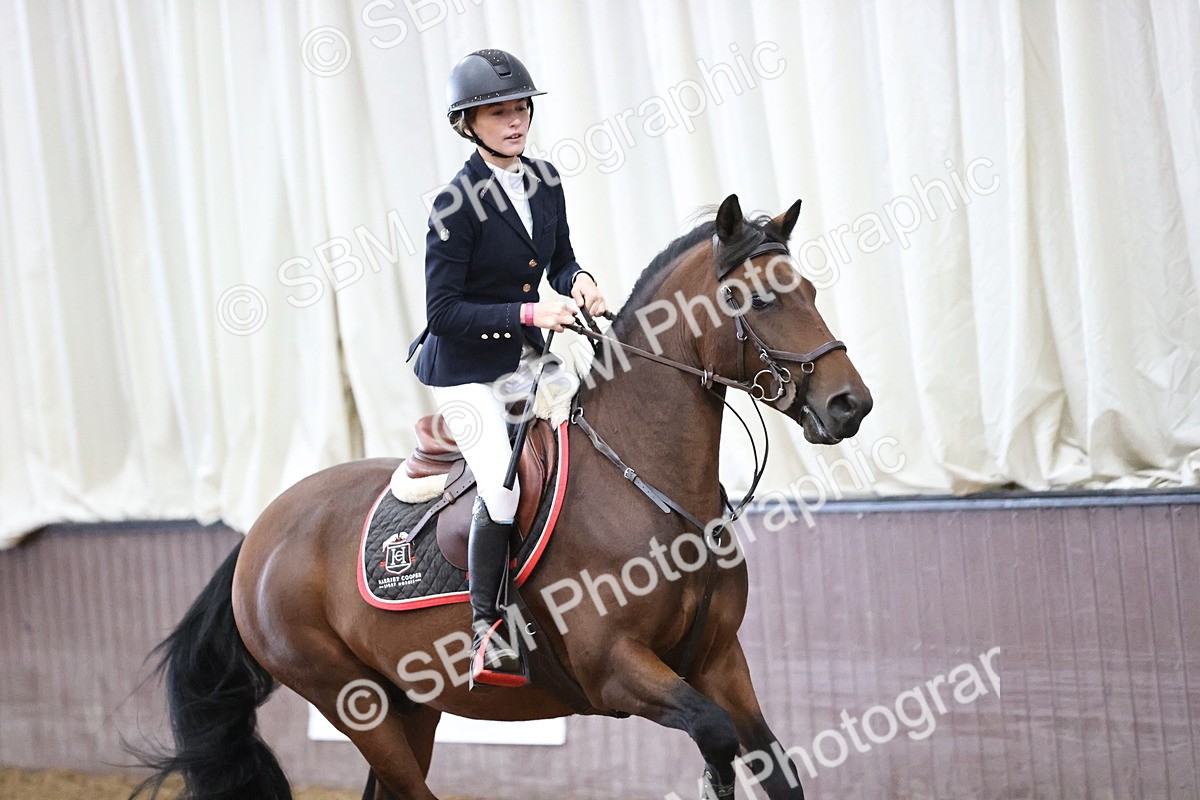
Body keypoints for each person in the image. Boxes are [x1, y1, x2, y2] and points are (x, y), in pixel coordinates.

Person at [406, 49, 609, 688]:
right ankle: (486, 625)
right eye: (499, 112)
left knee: (593, 431)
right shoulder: (452, 204)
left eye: (521, 108)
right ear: (468, 123)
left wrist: (581, 283)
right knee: (502, 484)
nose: (516, 121)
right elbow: (443, 313)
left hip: (524, 357)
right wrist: (529, 315)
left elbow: (561, 260)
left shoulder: (545, 181)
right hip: (464, 368)